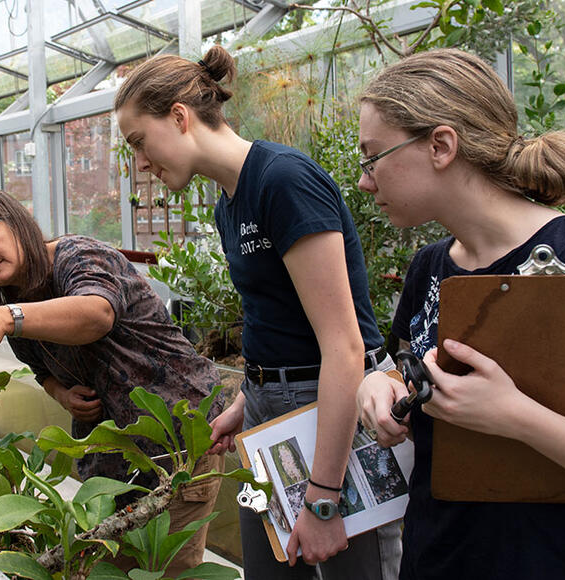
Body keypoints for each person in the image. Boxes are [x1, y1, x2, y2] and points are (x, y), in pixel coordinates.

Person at [354, 48, 565, 579]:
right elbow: (404, 369)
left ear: (441, 146)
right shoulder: (431, 265)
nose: (365, 181)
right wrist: (377, 387)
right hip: (436, 557)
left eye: (372, 157)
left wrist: (515, 416)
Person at [115, 46, 402, 580]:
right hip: (265, 414)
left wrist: (323, 497)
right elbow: (277, 318)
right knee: (266, 562)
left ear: (179, 117)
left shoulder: (283, 180)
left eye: (138, 142)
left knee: (353, 569)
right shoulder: (229, 200)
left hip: (330, 404)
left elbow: (344, 345)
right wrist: (249, 398)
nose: (141, 163)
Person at [0, 187, 225, 576]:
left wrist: (7, 317)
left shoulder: (78, 256)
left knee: (163, 570)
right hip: (110, 464)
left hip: (177, 445)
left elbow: (97, 313)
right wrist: (60, 392)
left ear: (17, 220)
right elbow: (42, 369)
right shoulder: (11, 296)